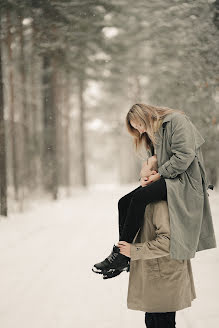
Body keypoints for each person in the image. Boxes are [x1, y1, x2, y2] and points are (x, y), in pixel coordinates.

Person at [92, 103, 217, 278]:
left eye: (140, 126)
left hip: (185, 180)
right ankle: (123, 254)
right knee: (124, 202)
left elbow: (184, 156)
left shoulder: (177, 121)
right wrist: (147, 173)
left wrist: (158, 176)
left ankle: (121, 255)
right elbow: (157, 161)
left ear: (146, 116)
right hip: (169, 177)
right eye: (137, 129)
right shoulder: (153, 132)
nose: (141, 131)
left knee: (140, 198)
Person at [126, 199, 196, 328]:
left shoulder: (160, 203)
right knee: (153, 320)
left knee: (161, 322)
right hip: (157, 276)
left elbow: (168, 242)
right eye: (144, 176)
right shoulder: (146, 199)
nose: (146, 178)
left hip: (164, 276)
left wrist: (134, 250)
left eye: (151, 176)